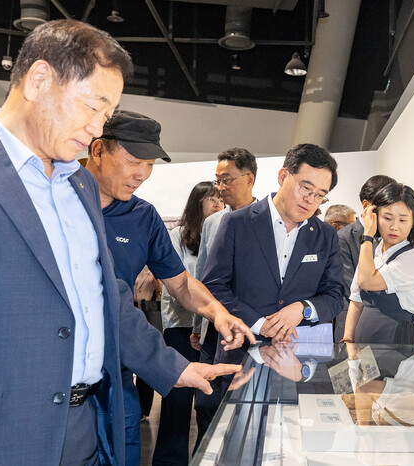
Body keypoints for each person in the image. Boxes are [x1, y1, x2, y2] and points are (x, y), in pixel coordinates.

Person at [0, 19, 241, 465]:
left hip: (88, 427)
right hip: (4, 437)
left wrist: (175, 368)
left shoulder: (79, 185)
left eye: (106, 115)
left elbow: (106, 301)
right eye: (93, 107)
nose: (97, 129)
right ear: (39, 80)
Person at [85, 110, 255, 464]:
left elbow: (180, 282)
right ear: (98, 150)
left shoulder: (143, 216)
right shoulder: (59, 202)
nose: (142, 174)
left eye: (149, 165)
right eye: (134, 161)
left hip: (118, 370)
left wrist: (218, 314)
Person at [199, 143, 344, 425]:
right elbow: (213, 286)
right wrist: (258, 323)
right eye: (305, 188)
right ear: (282, 176)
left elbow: (335, 295)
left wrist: (303, 308)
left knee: (290, 438)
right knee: (234, 436)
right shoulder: (237, 223)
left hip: (297, 361)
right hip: (240, 357)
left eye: (319, 195)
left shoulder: (325, 236)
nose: (310, 200)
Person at [153, 182, 224, 465]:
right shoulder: (177, 235)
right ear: (197, 203)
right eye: (211, 199)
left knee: (208, 403)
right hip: (181, 325)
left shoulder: (222, 232)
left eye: (221, 200)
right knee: (177, 402)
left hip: (211, 327)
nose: (218, 204)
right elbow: (177, 283)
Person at [192, 147, 259, 444]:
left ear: (249, 179)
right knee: (206, 401)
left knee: (240, 401)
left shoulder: (266, 221)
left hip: (248, 326)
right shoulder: (213, 222)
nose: (220, 187)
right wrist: (199, 325)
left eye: (227, 179)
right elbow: (202, 277)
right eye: (217, 180)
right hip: (213, 325)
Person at [342, 183, 414, 344]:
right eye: (387, 218)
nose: (394, 227)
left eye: (403, 220)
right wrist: (348, 339)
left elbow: (366, 281)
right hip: (365, 344)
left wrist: (367, 236)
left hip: (397, 344)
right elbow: (356, 301)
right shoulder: (374, 251)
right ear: (375, 217)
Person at [334, 175, 396, 341]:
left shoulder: (391, 235)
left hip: (386, 327)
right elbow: (349, 286)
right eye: (384, 205)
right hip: (353, 325)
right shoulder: (343, 238)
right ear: (366, 205)